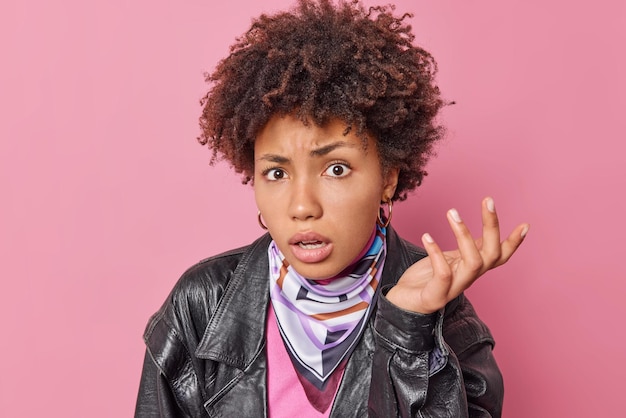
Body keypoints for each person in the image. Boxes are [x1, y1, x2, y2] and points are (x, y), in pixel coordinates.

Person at [134, 0, 529, 416]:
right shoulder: (200, 307)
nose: (302, 206)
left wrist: (407, 327)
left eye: (336, 168)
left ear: (388, 178)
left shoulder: (440, 307)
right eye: (277, 173)